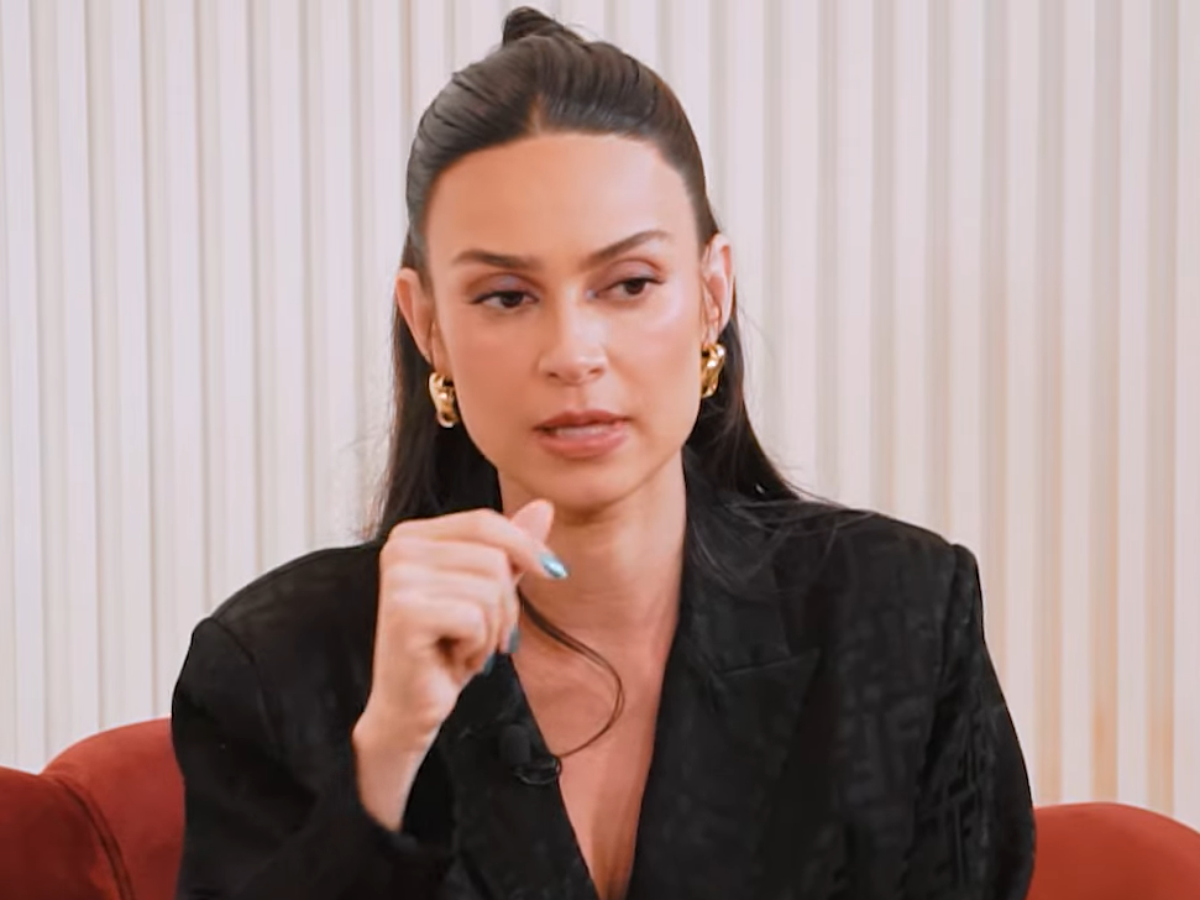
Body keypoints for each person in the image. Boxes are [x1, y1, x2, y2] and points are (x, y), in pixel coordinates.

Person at [171, 8, 1035, 899]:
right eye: (507, 297)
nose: (573, 352)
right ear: (427, 325)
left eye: (629, 284)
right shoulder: (273, 667)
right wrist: (388, 754)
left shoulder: (900, 618)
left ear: (711, 294)